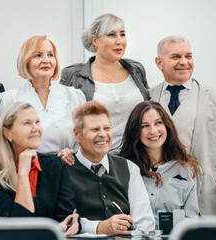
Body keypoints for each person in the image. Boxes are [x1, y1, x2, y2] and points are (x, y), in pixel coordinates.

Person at [150, 35, 216, 216]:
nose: (184, 62)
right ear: (159, 62)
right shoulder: (147, 98)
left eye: (188, 56)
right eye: (175, 57)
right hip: (160, 201)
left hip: (205, 200)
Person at [0, 102, 79, 236]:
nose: (36, 128)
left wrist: (71, 225)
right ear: (7, 133)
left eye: (37, 122)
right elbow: (16, 227)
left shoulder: (55, 164)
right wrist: (23, 173)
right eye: (27, 123)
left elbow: (66, 215)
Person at [60, 13, 150, 151]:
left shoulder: (136, 69)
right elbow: (64, 121)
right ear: (95, 40)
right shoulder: (73, 75)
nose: (119, 41)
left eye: (122, 34)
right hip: (95, 158)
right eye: (112, 35)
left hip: (136, 157)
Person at [66, 100, 155, 234]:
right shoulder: (64, 169)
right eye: (95, 129)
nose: (103, 134)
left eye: (107, 128)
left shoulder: (129, 168)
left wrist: (128, 234)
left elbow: (145, 223)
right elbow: (61, 220)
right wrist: (99, 228)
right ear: (77, 134)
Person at [0, 35, 85, 154]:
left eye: (50, 55)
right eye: (38, 55)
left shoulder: (74, 96)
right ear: (26, 61)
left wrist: (72, 153)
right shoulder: (10, 98)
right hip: (27, 168)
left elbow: (84, 139)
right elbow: (4, 147)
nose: (46, 60)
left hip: (68, 167)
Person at [119, 101, 202, 227]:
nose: (153, 131)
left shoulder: (189, 170)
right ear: (135, 131)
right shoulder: (123, 168)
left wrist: (187, 223)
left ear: (167, 125)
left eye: (158, 123)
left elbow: (192, 217)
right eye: (144, 126)